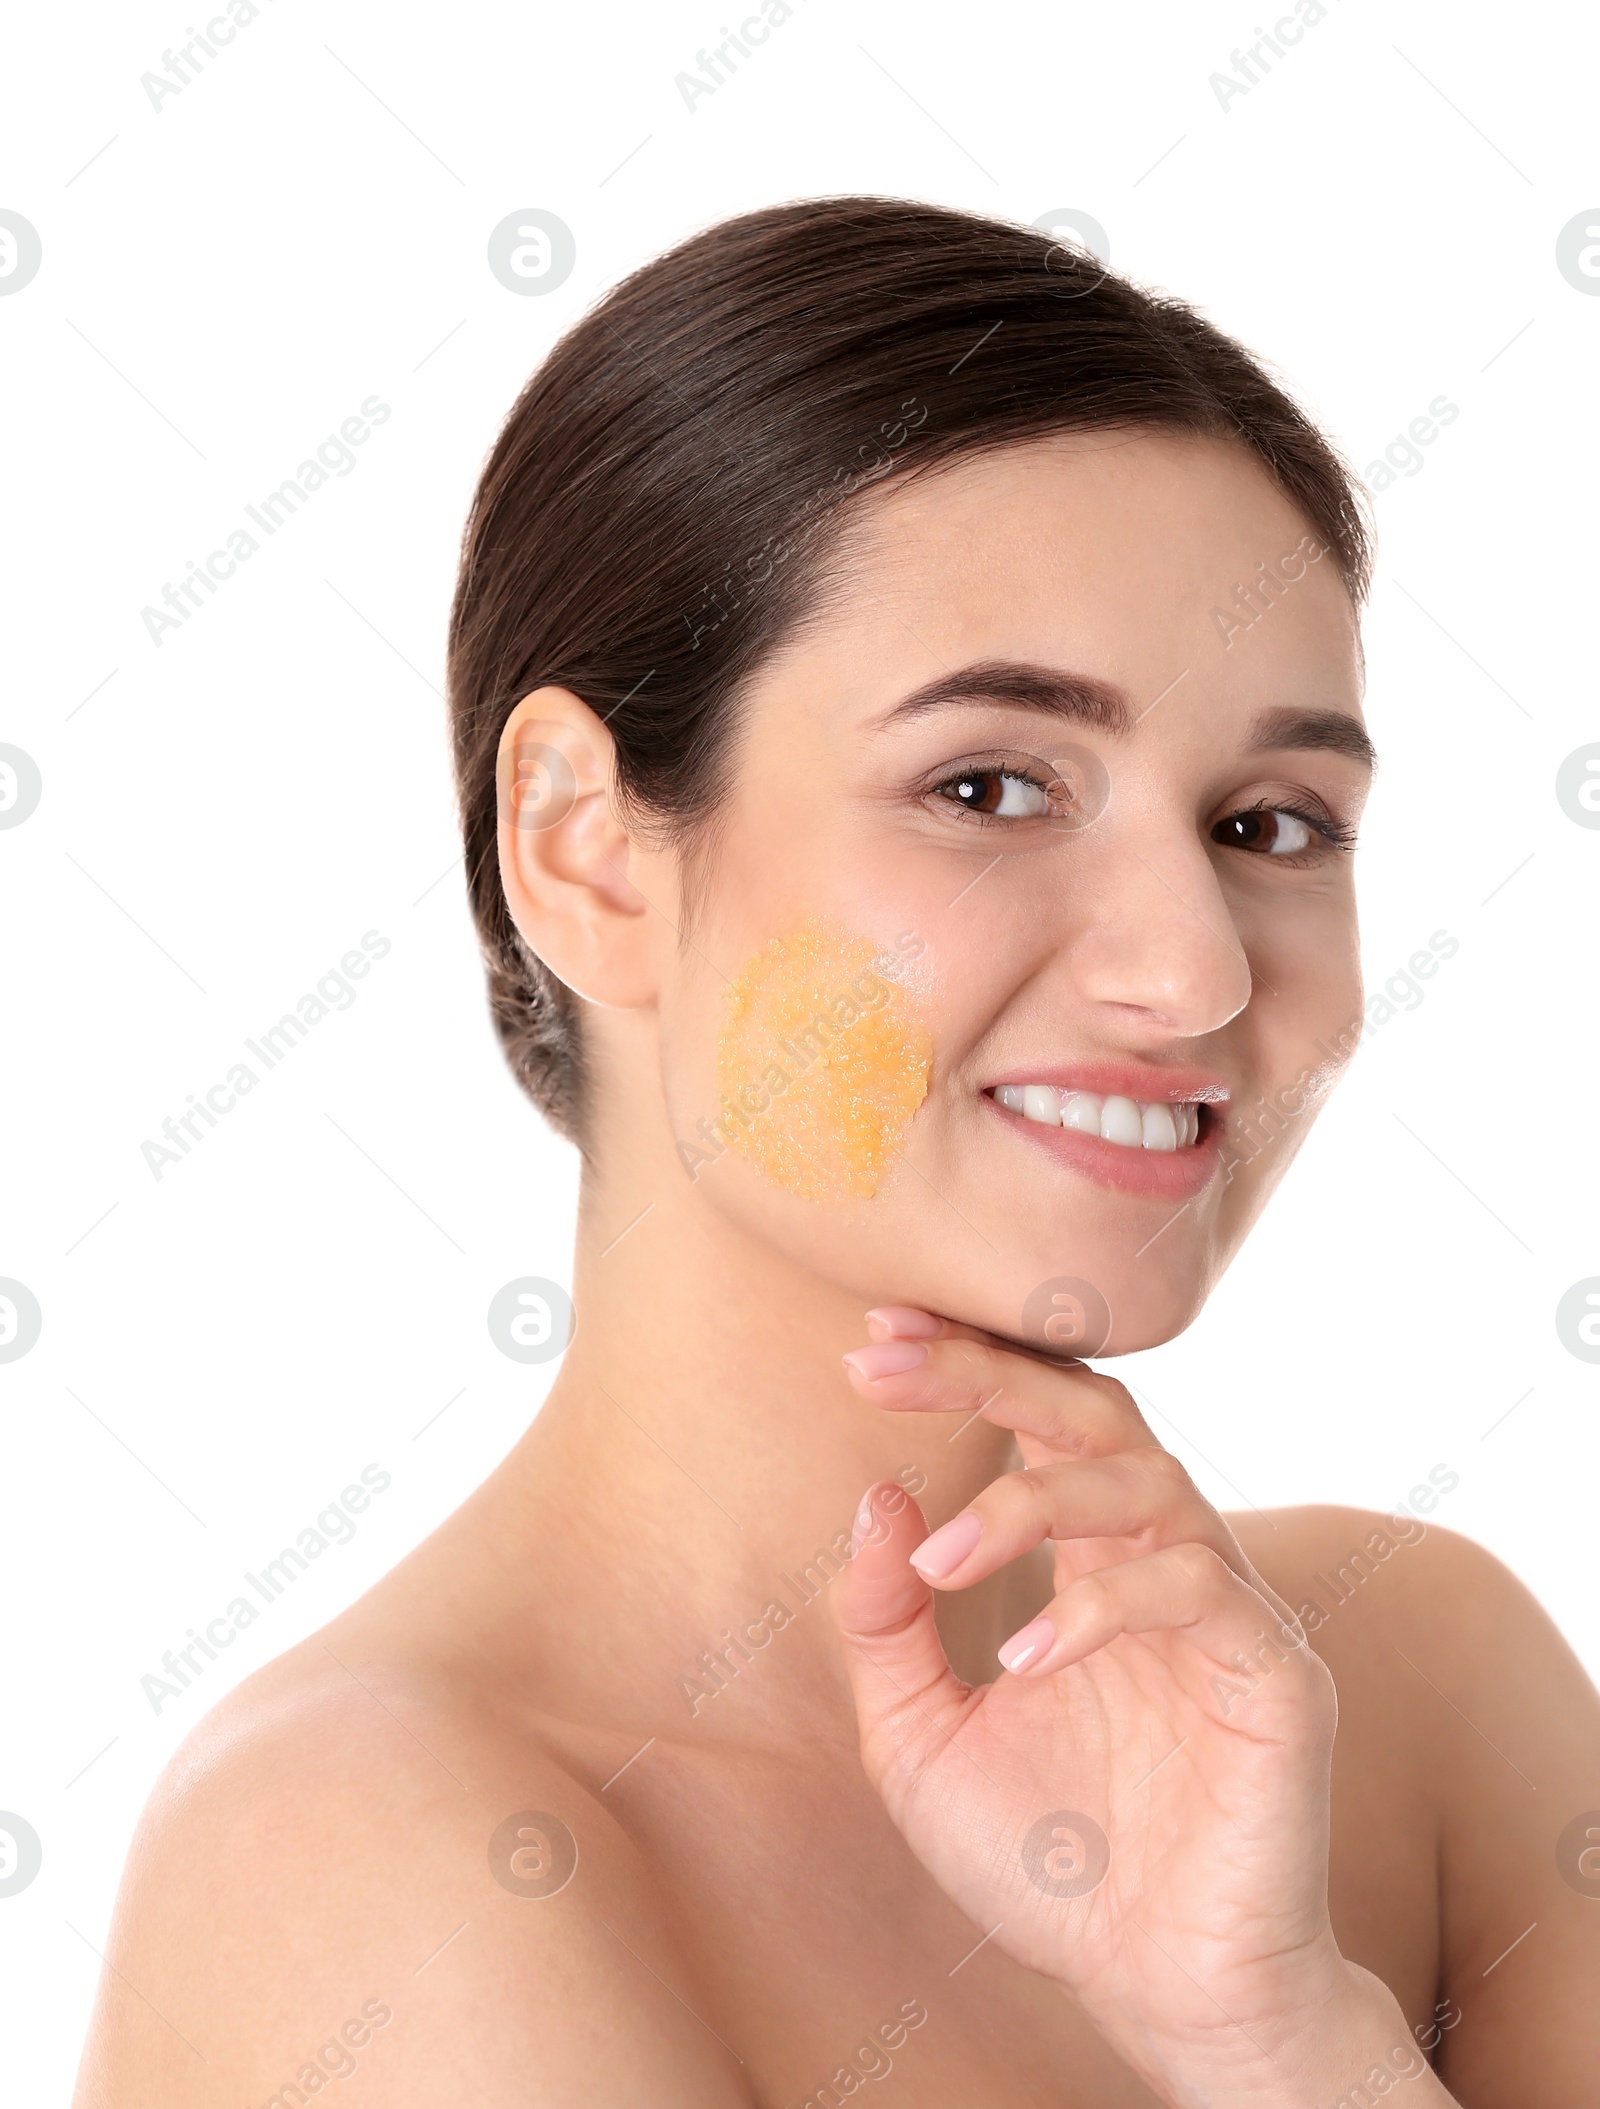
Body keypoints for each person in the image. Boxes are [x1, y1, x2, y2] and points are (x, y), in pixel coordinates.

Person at [74, 197, 1600, 2107]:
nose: (1193, 969)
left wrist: (1280, 2039)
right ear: (584, 846)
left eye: (1273, 823)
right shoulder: (380, 1849)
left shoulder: (1421, 1685)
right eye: (988, 785)